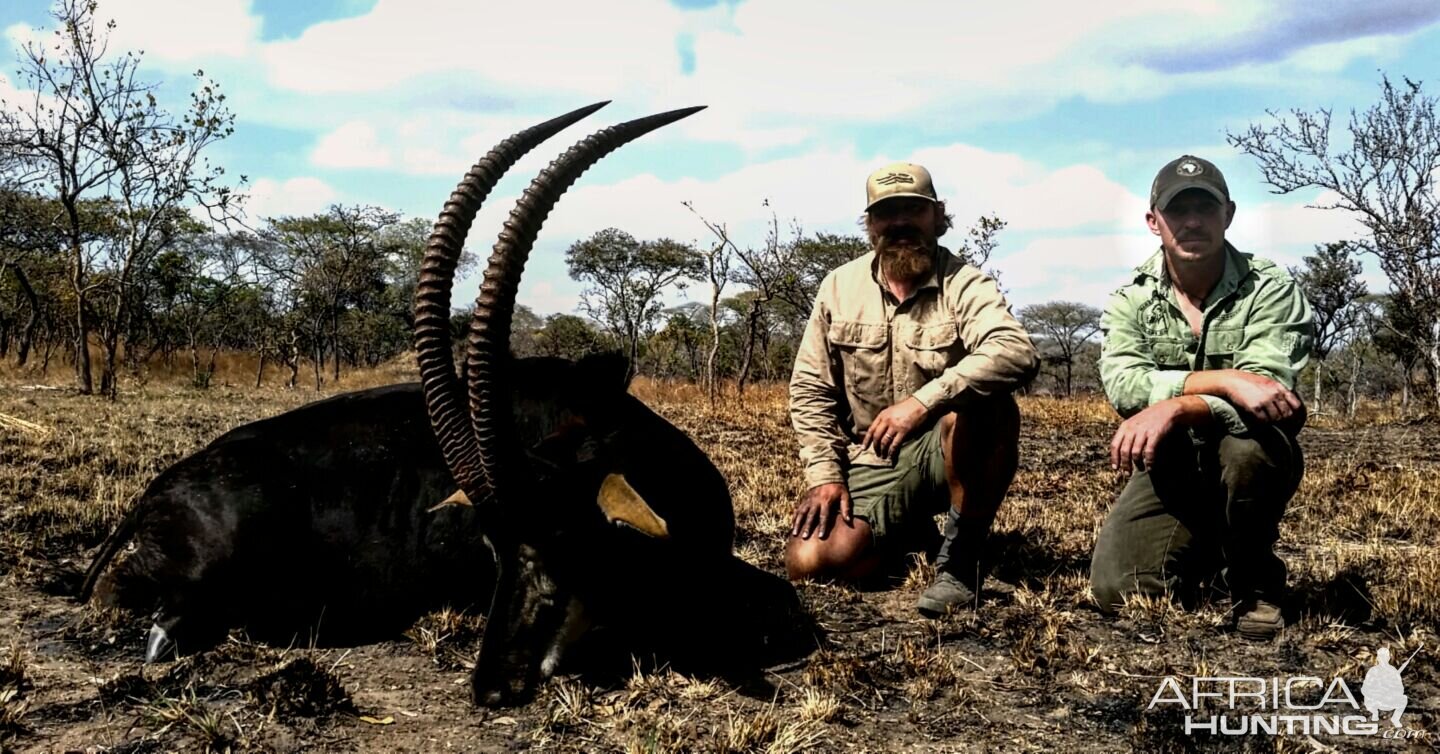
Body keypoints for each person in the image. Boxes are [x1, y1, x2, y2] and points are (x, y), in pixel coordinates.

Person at [786, 161, 1039, 617]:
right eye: (887, 213)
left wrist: (923, 403)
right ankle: (906, 531)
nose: (900, 223)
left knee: (989, 407)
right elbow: (810, 389)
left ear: (938, 217)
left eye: (913, 210)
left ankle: (962, 561)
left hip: (951, 447)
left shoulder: (966, 282)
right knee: (813, 561)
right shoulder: (838, 287)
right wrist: (825, 476)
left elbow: (1014, 351)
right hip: (873, 454)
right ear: (870, 225)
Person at [1089, 155, 1313, 640]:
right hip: (1172, 460)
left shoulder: (1270, 287)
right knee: (1117, 591)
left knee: (1248, 449)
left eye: (1205, 208)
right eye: (1177, 210)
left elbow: (1266, 393)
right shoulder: (1131, 296)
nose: (1192, 221)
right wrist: (1223, 381)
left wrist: (1175, 404)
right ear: (1154, 222)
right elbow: (1125, 385)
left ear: (1228, 214)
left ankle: (1256, 579)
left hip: (1250, 450)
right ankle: (1212, 551)